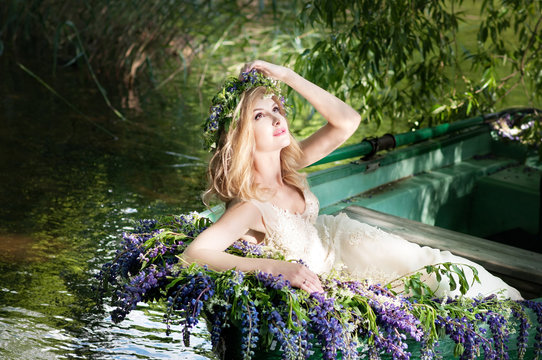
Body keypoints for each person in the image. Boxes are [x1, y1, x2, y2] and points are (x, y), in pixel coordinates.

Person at [183, 60, 522, 300]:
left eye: (276, 109)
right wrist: (273, 268)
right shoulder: (250, 205)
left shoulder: (291, 164)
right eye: (260, 115)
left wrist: (288, 76)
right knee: (427, 282)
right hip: (338, 271)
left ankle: (515, 305)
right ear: (241, 134)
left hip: (351, 244)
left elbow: (347, 121)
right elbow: (194, 254)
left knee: (433, 265)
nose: (275, 118)